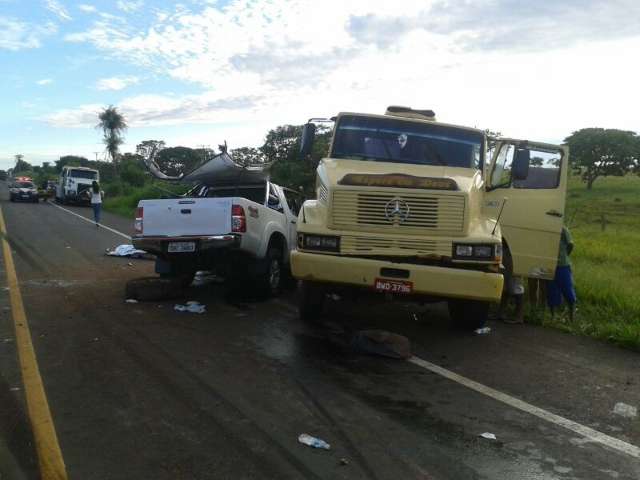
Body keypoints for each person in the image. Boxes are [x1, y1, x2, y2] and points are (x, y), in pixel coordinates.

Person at [547, 226, 577, 320]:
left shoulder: (563, 230)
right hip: (551, 264)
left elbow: (571, 244)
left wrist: (565, 255)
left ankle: (571, 315)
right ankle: (553, 316)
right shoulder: (548, 228)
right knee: (552, 291)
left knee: (568, 290)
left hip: (563, 265)